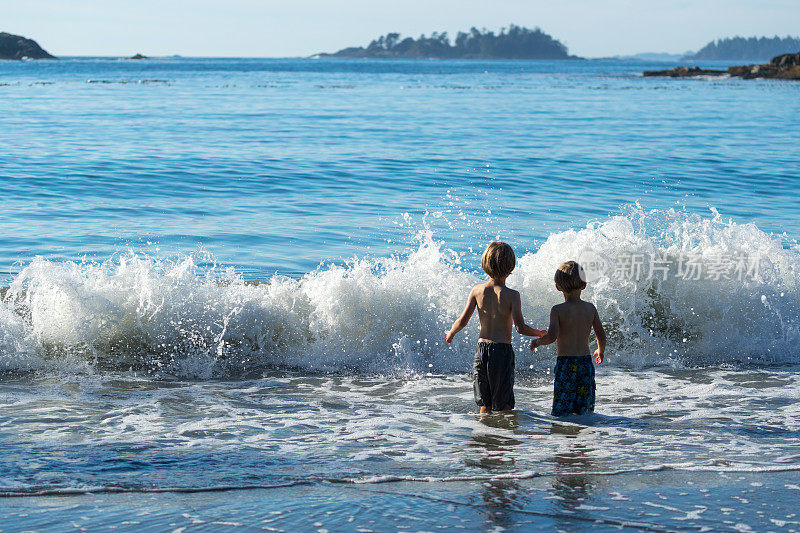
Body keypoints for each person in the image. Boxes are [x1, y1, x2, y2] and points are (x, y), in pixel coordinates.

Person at [446, 242, 546, 413]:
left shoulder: (477, 290)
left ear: (485, 265)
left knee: (485, 402)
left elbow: (463, 321)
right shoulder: (512, 295)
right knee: (504, 402)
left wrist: (451, 333)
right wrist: (539, 333)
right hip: (502, 351)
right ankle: (503, 436)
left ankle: (483, 434)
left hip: (481, 349)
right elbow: (520, 328)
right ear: (511, 268)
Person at [530, 261, 607, 417]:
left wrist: (538, 341)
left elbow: (551, 337)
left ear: (558, 287)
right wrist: (600, 350)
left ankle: (565, 436)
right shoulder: (590, 308)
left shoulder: (558, 310)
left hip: (566, 364)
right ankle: (583, 435)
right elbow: (600, 333)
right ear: (584, 285)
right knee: (584, 406)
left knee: (562, 407)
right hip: (585, 363)